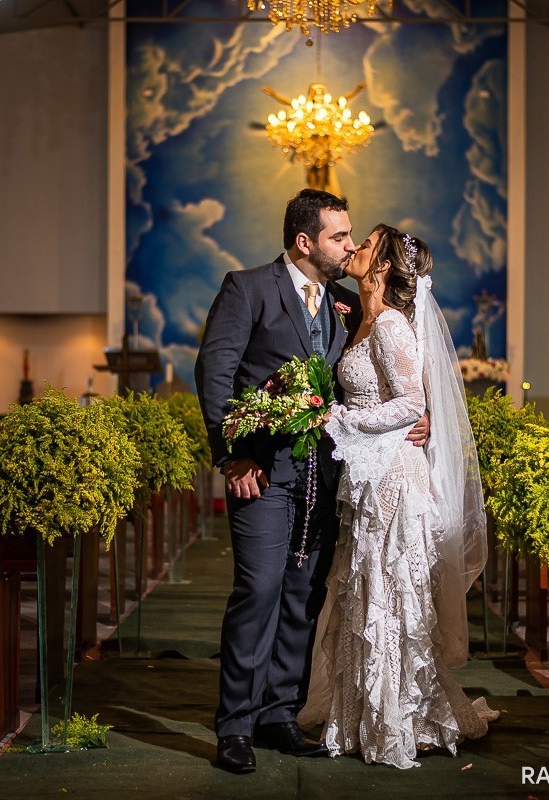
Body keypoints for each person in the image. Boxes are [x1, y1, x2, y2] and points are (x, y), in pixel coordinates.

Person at [196, 189, 392, 774]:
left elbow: (372, 379)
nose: (350, 246)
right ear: (305, 242)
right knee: (258, 590)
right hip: (262, 474)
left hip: (324, 476)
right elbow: (215, 373)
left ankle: (280, 714)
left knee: (304, 596)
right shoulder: (248, 288)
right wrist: (233, 456)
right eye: (339, 236)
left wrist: (418, 414)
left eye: (350, 234)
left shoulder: (345, 305)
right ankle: (235, 725)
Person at [299, 224, 498, 768]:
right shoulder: (361, 317)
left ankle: (399, 718)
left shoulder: (388, 323)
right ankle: (365, 713)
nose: (355, 249)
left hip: (392, 476)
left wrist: (340, 419)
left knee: (389, 589)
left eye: (364, 245)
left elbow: (411, 402)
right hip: (368, 473)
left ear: (383, 266)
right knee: (365, 588)